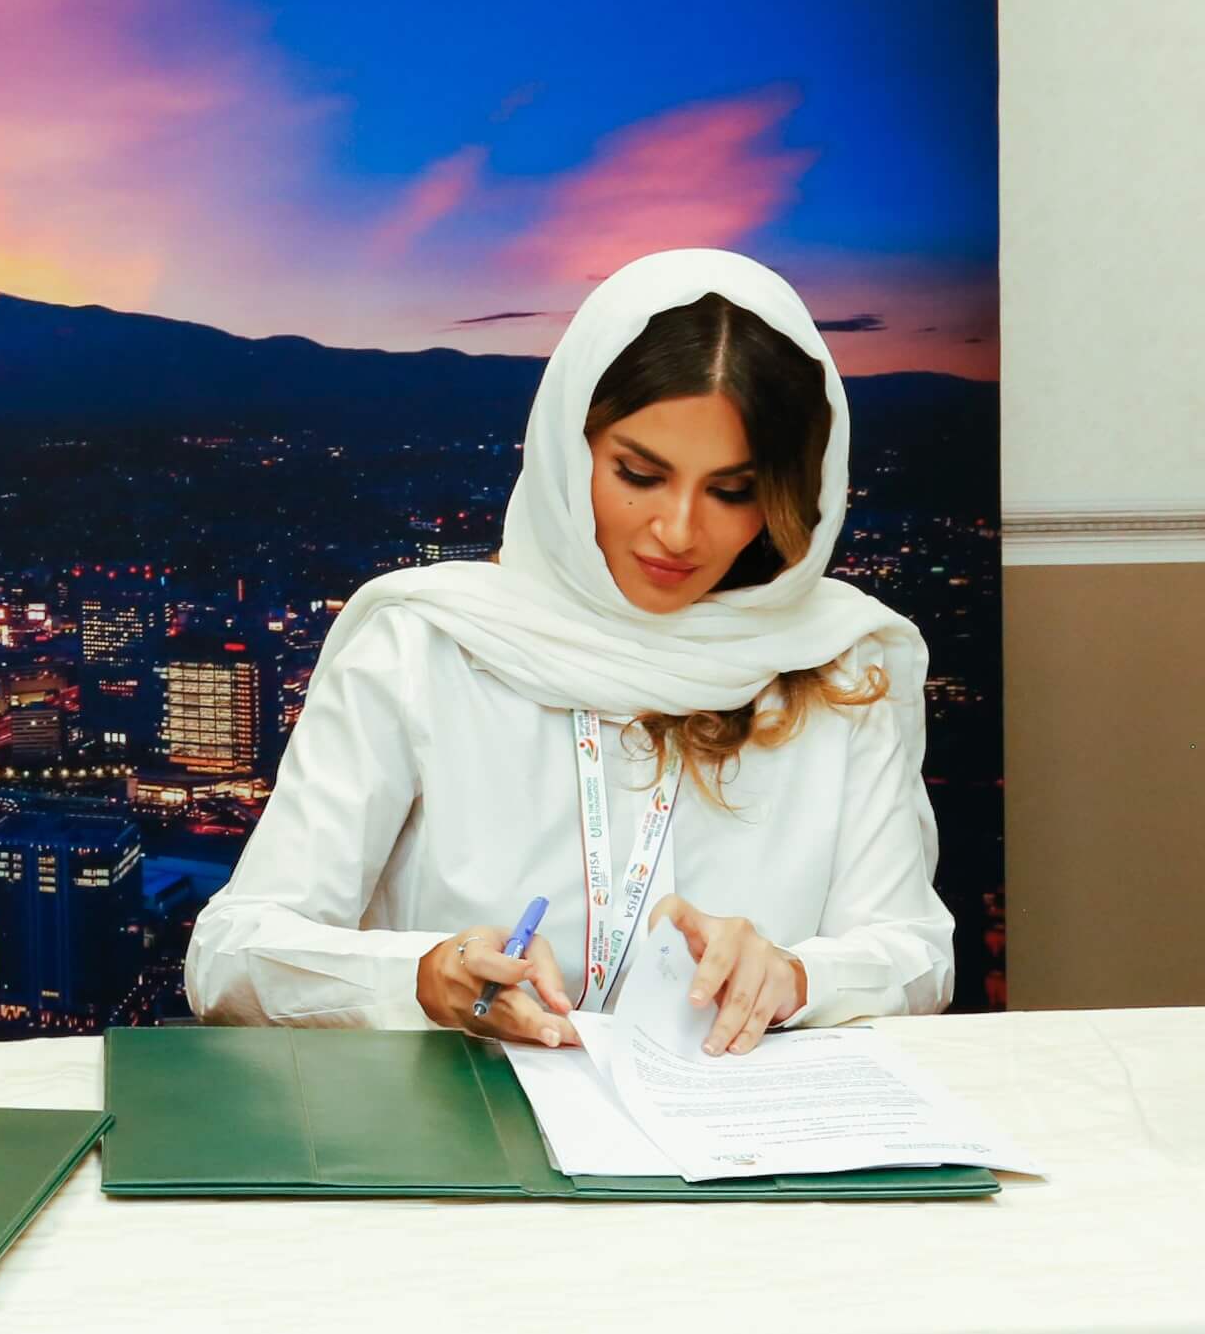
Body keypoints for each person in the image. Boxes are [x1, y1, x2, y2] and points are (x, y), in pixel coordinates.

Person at [186, 249, 952, 1053]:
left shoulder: (844, 666)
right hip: (466, 1120)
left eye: (732, 490)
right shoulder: (423, 647)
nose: (678, 530)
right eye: (639, 473)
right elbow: (230, 955)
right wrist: (424, 975)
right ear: (566, 450)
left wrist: (795, 977)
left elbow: (916, 955)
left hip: (743, 1126)